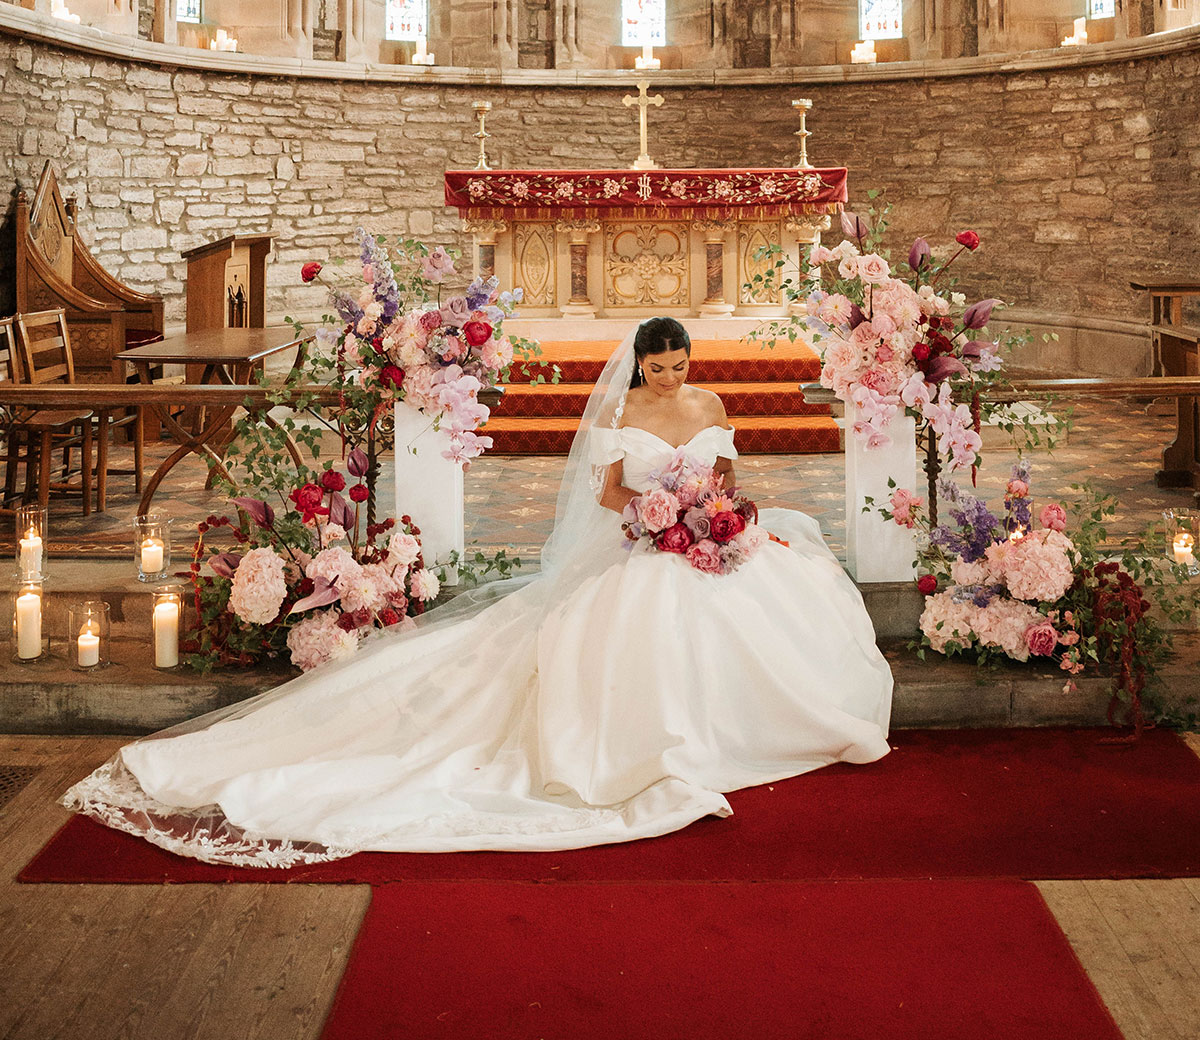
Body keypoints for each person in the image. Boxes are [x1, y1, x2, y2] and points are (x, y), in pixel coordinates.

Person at [65, 318, 892, 864]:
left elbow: (727, 473)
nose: (672, 378)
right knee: (638, 619)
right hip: (642, 535)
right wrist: (652, 515)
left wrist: (721, 516)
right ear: (639, 360)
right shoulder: (624, 407)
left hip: (708, 532)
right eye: (659, 365)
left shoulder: (710, 398)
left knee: (781, 591)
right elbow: (607, 492)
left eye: (680, 366)